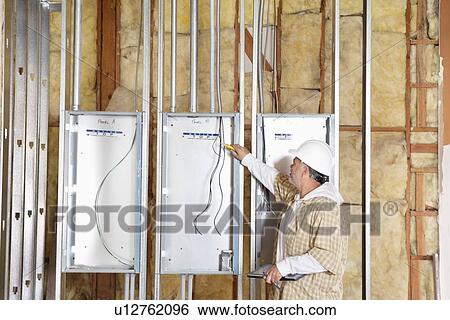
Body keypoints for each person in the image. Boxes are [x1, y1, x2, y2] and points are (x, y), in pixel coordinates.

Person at [229, 140, 347, 299]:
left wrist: (283, 267)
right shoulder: (299, 198)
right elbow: (275, 180)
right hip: (291, 296)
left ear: (305, 170)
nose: (291, 168)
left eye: (294, 164)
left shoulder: (326, 207)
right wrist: (247, 158)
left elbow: (325, 257)